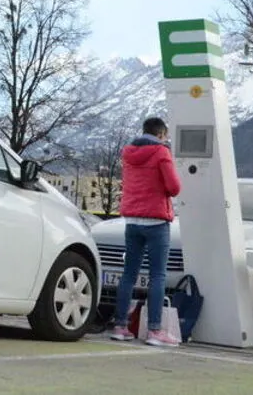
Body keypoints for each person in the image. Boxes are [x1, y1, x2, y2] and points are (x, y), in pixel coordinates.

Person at [109, 116, 183, 347]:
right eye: (166, 135)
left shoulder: (128, 152)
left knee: (129, 274)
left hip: (132, 220)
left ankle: (120, 327)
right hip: (156, 221)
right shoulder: (162, 152)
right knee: (157, 275)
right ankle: (154, 331)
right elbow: (174, 187)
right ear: (161, 134)